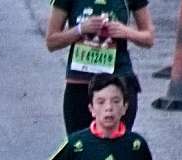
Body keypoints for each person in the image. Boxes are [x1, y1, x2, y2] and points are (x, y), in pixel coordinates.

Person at [44, 0, 151, 133]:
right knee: (82, 148)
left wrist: (125, 32)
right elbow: (51, 42)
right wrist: (80, 29)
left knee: (117, 148)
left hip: (119, 81)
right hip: (80, 84)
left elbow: (149, 38)